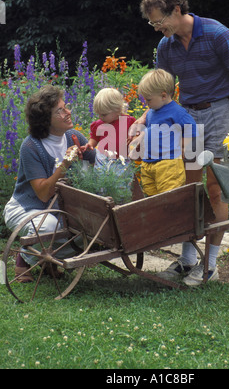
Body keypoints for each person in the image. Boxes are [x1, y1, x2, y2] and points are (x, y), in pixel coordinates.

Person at [139, 0, 229, 285]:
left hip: (219, 113)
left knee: (214, 187)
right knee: (186, 188)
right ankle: (188, 258)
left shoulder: (217, 34)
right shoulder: (167, 46)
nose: (155, 28)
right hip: (186, 118)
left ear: (176, 10)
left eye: (158, 21)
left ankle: (211, 265)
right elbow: (161, 92)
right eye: (152, 22)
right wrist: (141, 120)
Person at [3, 85, 95, 282]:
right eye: (60, 110)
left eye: (65, 107)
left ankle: (47, 260)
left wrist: (94, 151)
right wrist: (65, 164)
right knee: (48, 228)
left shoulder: (74, 137)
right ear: (46, 120)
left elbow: (97, 161)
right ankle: (25, 259)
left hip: (57, 210)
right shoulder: (31, 146)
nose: (68, 112)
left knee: (90, 231)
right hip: (27, 207)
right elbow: (43, 194)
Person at [136, 68, 199, 271]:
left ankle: (171, 228)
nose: (146, 104)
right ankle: (160, 228)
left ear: (164, 95)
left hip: (168, 163)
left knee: (168, 195)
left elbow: (191, 127)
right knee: (151, 196)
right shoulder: (153, 112)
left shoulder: (177, 112)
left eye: (148, 100)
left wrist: (184, 147)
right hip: (149, 162)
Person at [83, 88, 136, 168]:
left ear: (117, 110)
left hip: (122, 160)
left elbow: (136, 135)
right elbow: (94, 137)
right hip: (104, 160)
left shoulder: (128, 121)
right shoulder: (99, 124)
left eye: (103, 115)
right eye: (98, 114)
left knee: (123, 179)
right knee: (103, 178)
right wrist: (90, 144)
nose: (100, 117)